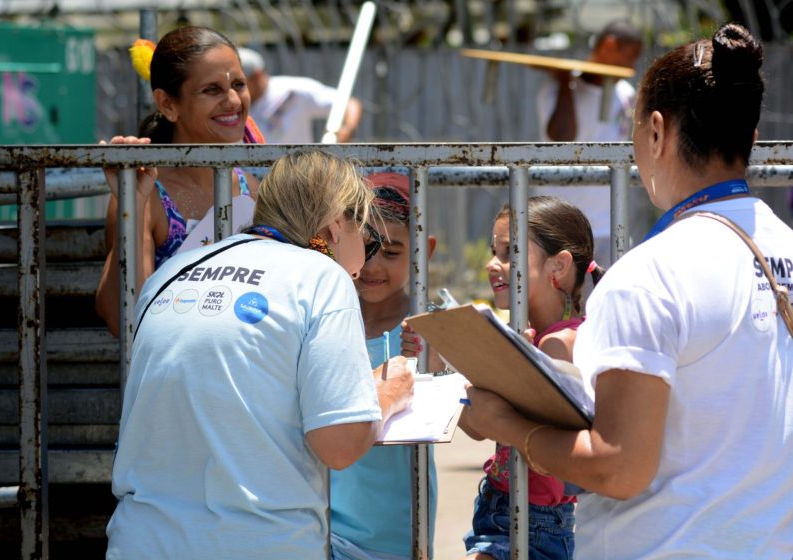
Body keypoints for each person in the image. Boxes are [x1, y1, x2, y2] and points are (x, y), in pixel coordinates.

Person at [464, 23, 793, 559]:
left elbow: (617, 466)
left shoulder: (650, 274)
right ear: (750, 140)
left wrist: (506, 424)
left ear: (657, 132)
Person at [106, 150, 414, 559]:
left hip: (141, 542)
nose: (364, 262)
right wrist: (390, 394)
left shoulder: (170, 274)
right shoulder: (322, 276)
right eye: (370, 241)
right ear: (337, 226)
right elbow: (339, 445)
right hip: (259, 542)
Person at [96, 26, 264, 337]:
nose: (232, 100)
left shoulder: (250, 189)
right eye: (211, 90)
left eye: (238, 84)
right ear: (168, 104)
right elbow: (122, 317)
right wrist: (132, 201)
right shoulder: (146, 191)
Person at [461, 197, 602, 560]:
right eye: (495, 251)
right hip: (497, 503)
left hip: (536, 519)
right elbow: (479, 427)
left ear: (559, 265)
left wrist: (514, 370)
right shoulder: (526, 333)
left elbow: (552, 443)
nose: (493, 264)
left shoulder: (559, 343)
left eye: (510, 253)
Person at [330, 172, 439, 560]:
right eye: (363, 247)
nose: (372, 265)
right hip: (319, 525)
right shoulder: (323, 318)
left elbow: (472, 422)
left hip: (394, 531)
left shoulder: (433, 326)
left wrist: (436, 361)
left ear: (423, 251)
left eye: (391, 252)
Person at [535, 19, 643, 265]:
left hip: (609, 224)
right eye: (630, 56)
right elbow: (559, 138)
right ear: (609, 45)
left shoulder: (625, 93)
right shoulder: (556, 89)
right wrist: (565, 83)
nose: (632, 65)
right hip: (559, 225)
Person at [239, 47, 363, 143]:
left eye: (239, 83)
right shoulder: (234, 104)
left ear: (257, 76)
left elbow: (348, 104)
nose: (234, 90)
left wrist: (348, 129)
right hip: (254, 174)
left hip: (297, 171)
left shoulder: (292, 91)